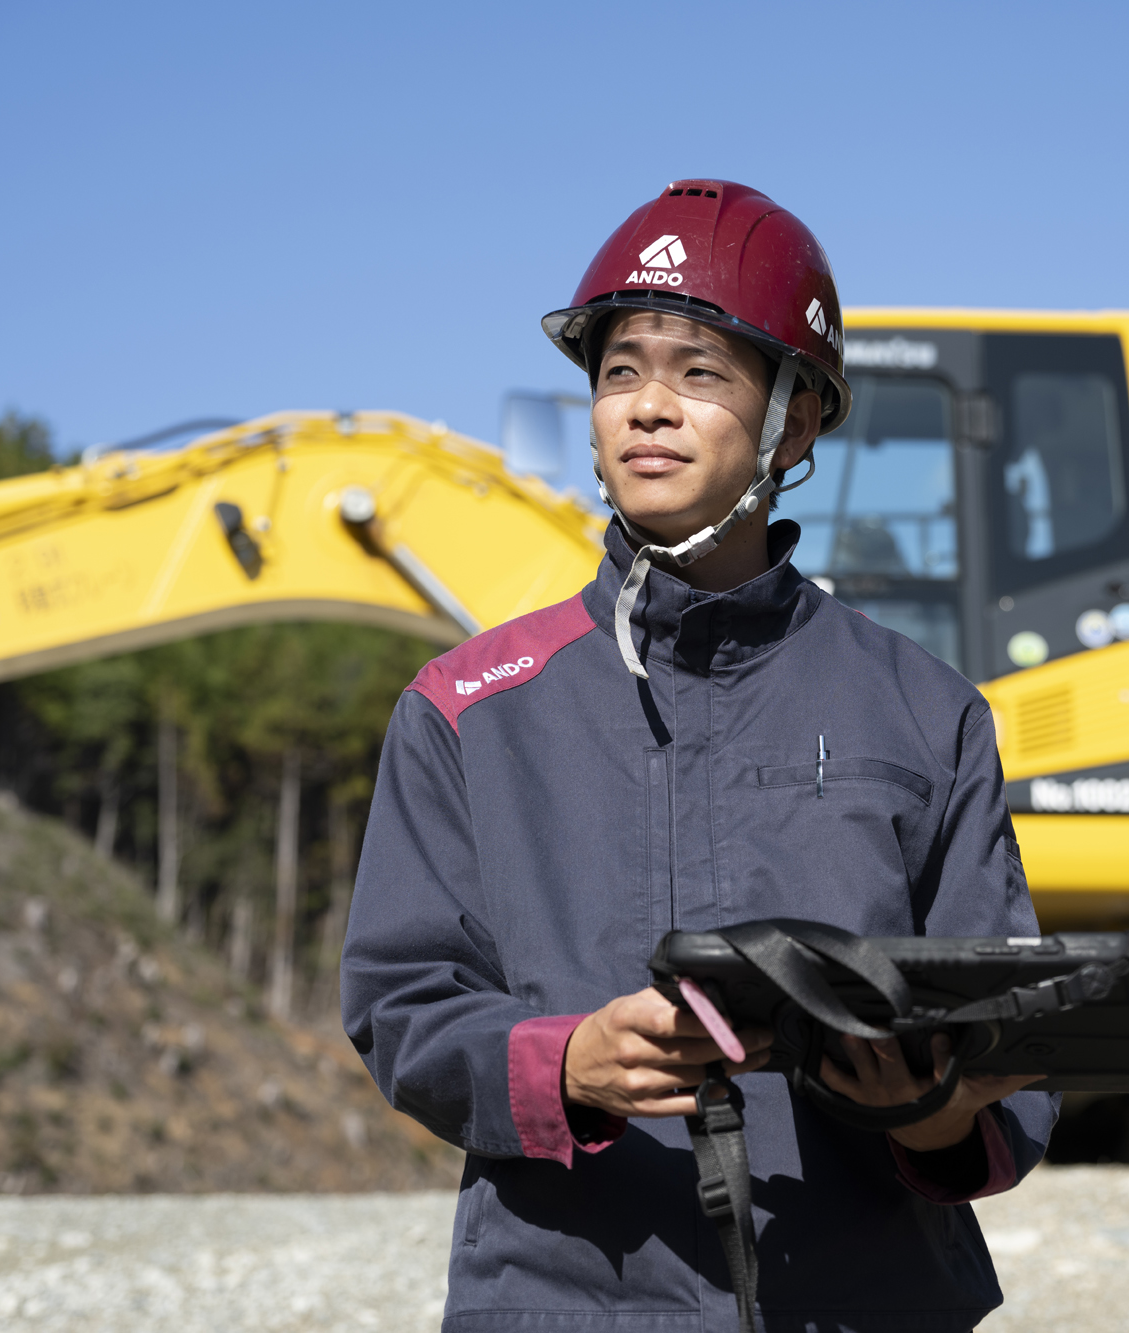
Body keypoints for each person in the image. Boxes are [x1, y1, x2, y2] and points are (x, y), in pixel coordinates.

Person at [342, 179, 1057, 1333]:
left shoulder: (927, 713)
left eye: (701, 372)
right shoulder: (466, 710)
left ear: (797, 418)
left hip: (866, 1302)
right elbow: (402, 1006)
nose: (647, 408)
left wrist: (925, 1108)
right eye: (620, 370)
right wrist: (566, 1061)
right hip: (561, 1302)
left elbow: (1017, 1048)